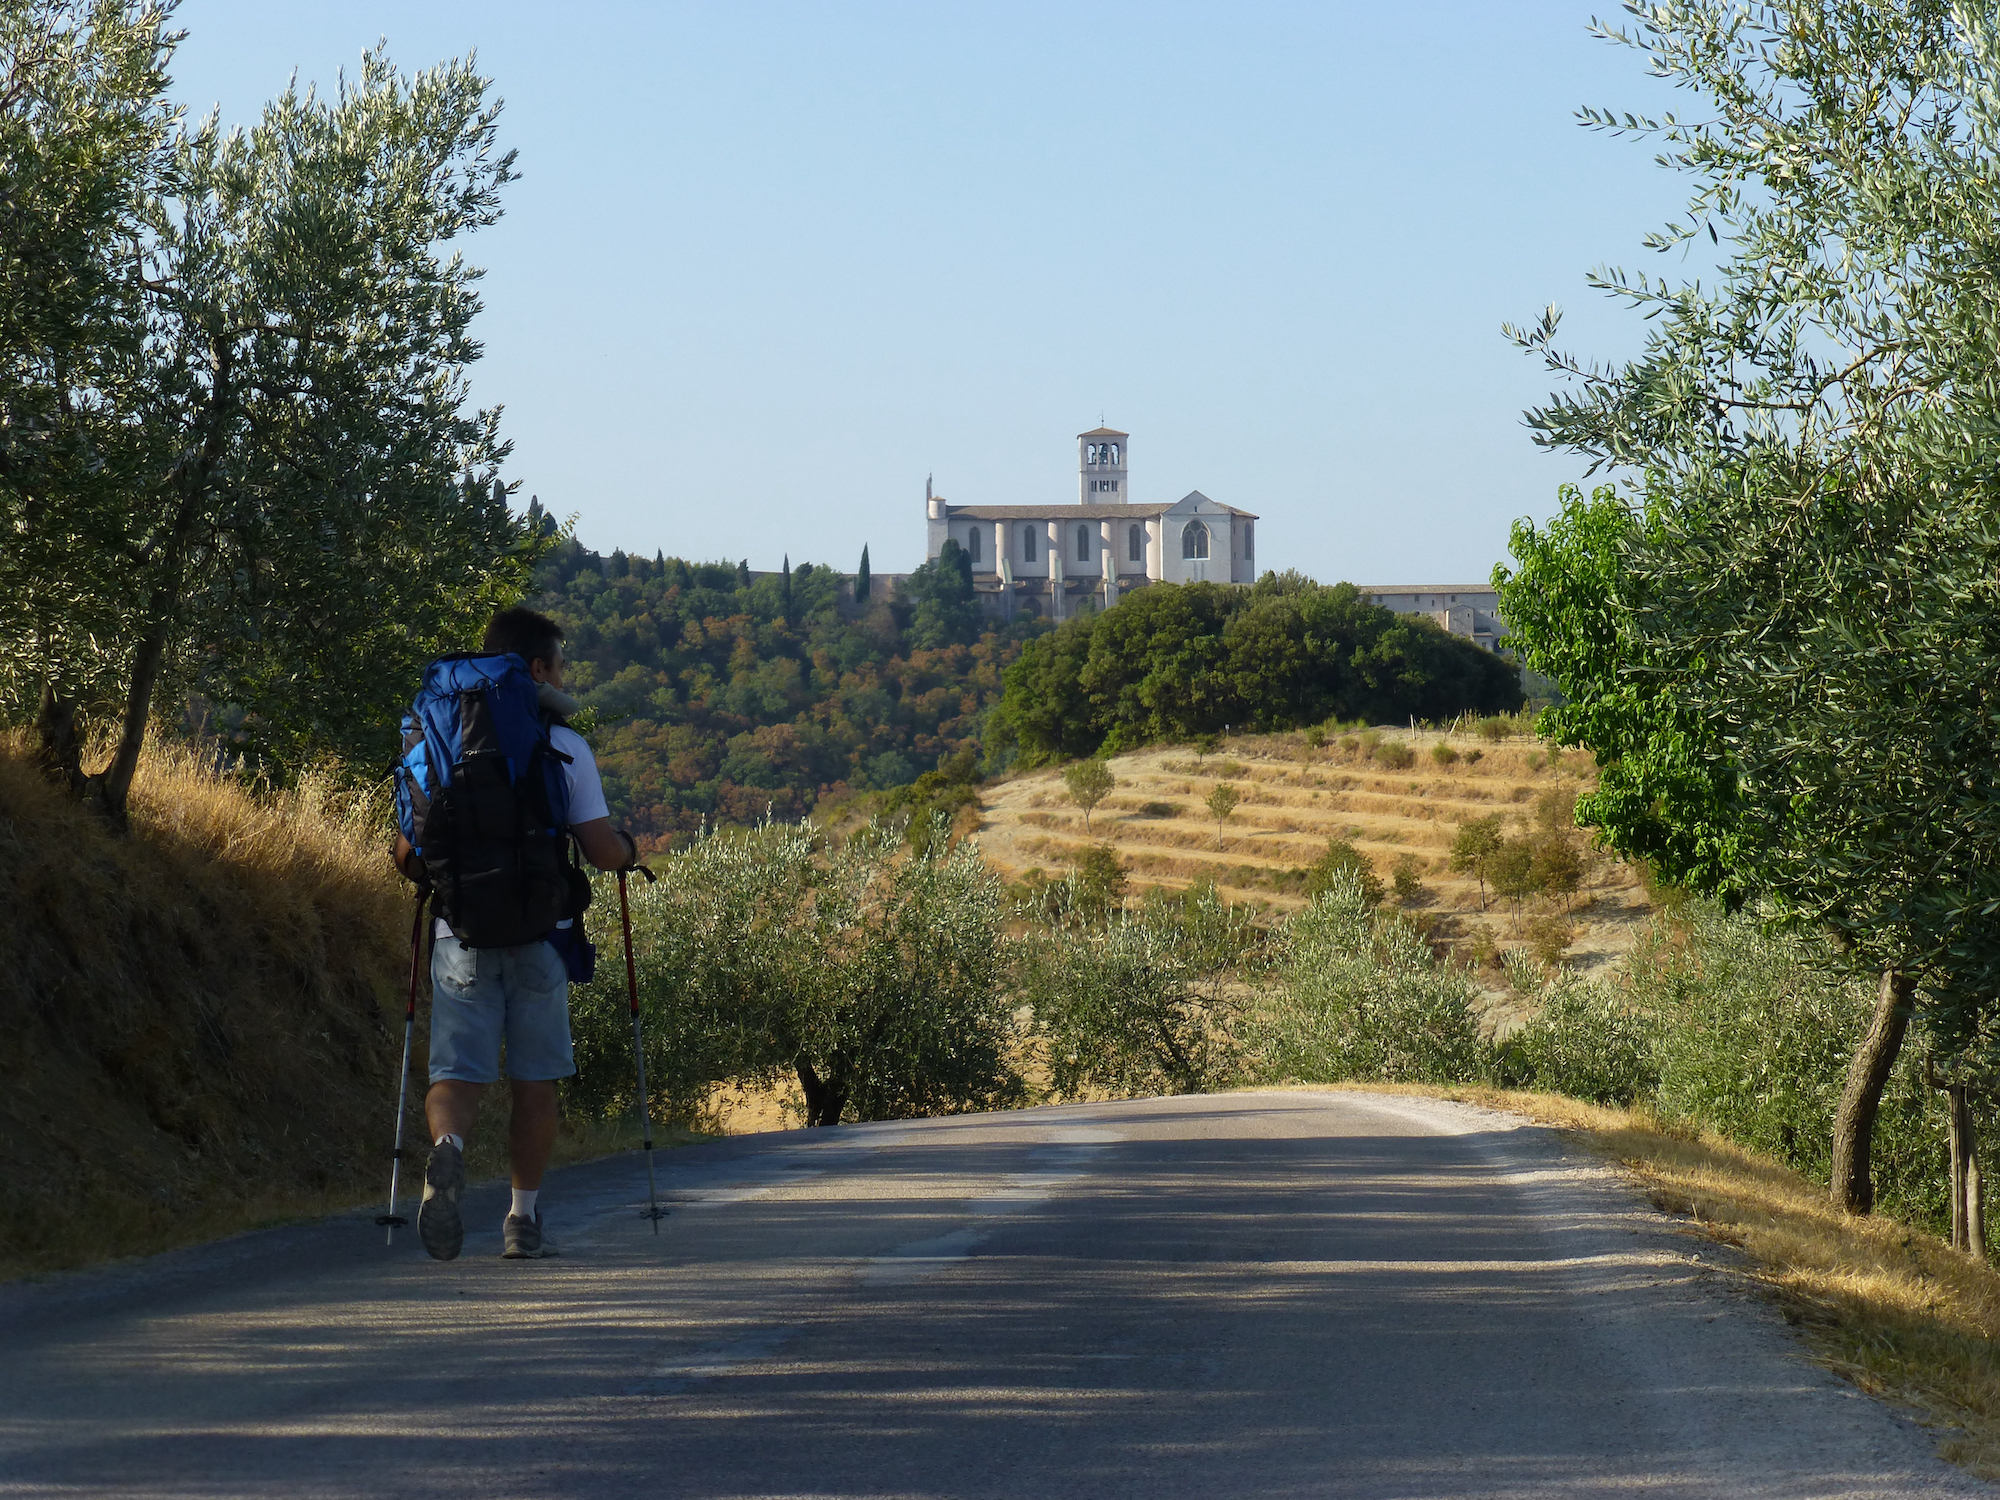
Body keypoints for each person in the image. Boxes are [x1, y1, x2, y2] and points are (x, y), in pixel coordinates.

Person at [392, 606, 638, 1261]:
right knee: (535, 1081)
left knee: (456, 1074)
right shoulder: (563, 745)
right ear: (536, 668)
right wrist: (630, 849)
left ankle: (448, 1151)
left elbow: (405, 850)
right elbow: (600, 850)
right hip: (539, 934)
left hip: (458, 932)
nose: (563, 674)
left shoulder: (434, 736)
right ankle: (521, 1222)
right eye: (558, 663)